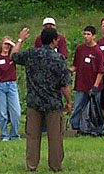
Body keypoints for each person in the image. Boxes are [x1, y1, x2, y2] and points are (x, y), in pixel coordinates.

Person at [11, 28, 72, 172]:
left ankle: (31, 165)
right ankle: (55, 165)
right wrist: (68, 101)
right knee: (55, 137)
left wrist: (20, 40)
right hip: (53, 103)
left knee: (32, 137)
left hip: (34, 102)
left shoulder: (32, 54)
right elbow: (65, 85)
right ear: (53, 41)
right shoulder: (59, 59)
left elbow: (13, 56)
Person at [70, 26, 104, 131]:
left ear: (94, 36)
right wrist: (69, 71)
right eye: (84, 34)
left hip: (93, 85)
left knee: (93, 107)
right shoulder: (80, 49)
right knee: (78, 106)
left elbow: (101, 71)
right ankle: (75, 126)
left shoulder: (97, 51)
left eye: (88, 34)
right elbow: (75, 65)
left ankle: (92, 126)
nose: (86, 36)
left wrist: (95, 86)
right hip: (81, 84)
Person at [0, 36, 21, 141]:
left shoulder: (13, 57)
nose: (7, 46)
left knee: (16, 112)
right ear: (1, 45)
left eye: (9, 45)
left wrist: (13, 45)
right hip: (0, 86)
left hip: (12, 85)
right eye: (5, 44)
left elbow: (19, 52)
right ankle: (4, 134)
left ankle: (14, 134)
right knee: (2, 112)